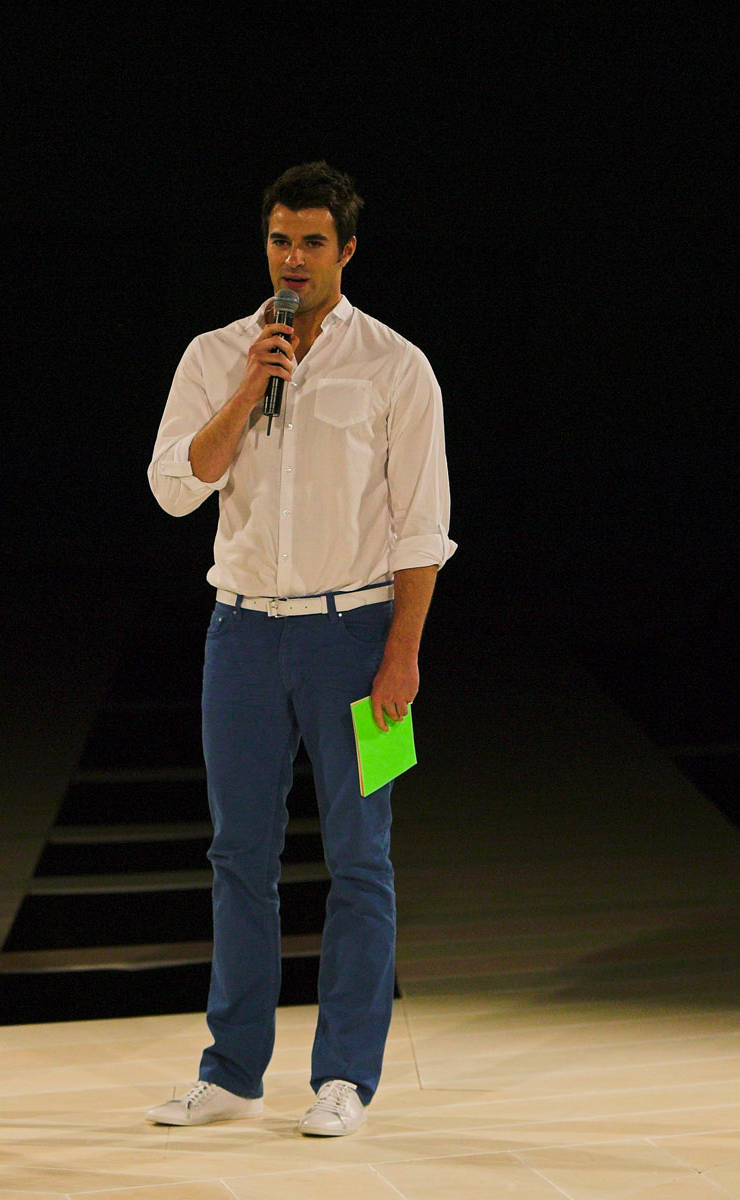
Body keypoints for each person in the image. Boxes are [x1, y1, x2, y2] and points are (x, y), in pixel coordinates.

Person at [144, 163, 454, 1136]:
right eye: (281, 240)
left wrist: (403, 652)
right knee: (239, 853)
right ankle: (233, 1069)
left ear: (346, 250)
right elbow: (175, 487)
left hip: (356, 634)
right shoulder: (217, 354)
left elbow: (422, 527)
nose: (294, 259)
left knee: (361, 856)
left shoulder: (397, 365)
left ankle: (346, 1074)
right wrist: (249, 387)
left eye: (313, 242)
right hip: (240, 632)